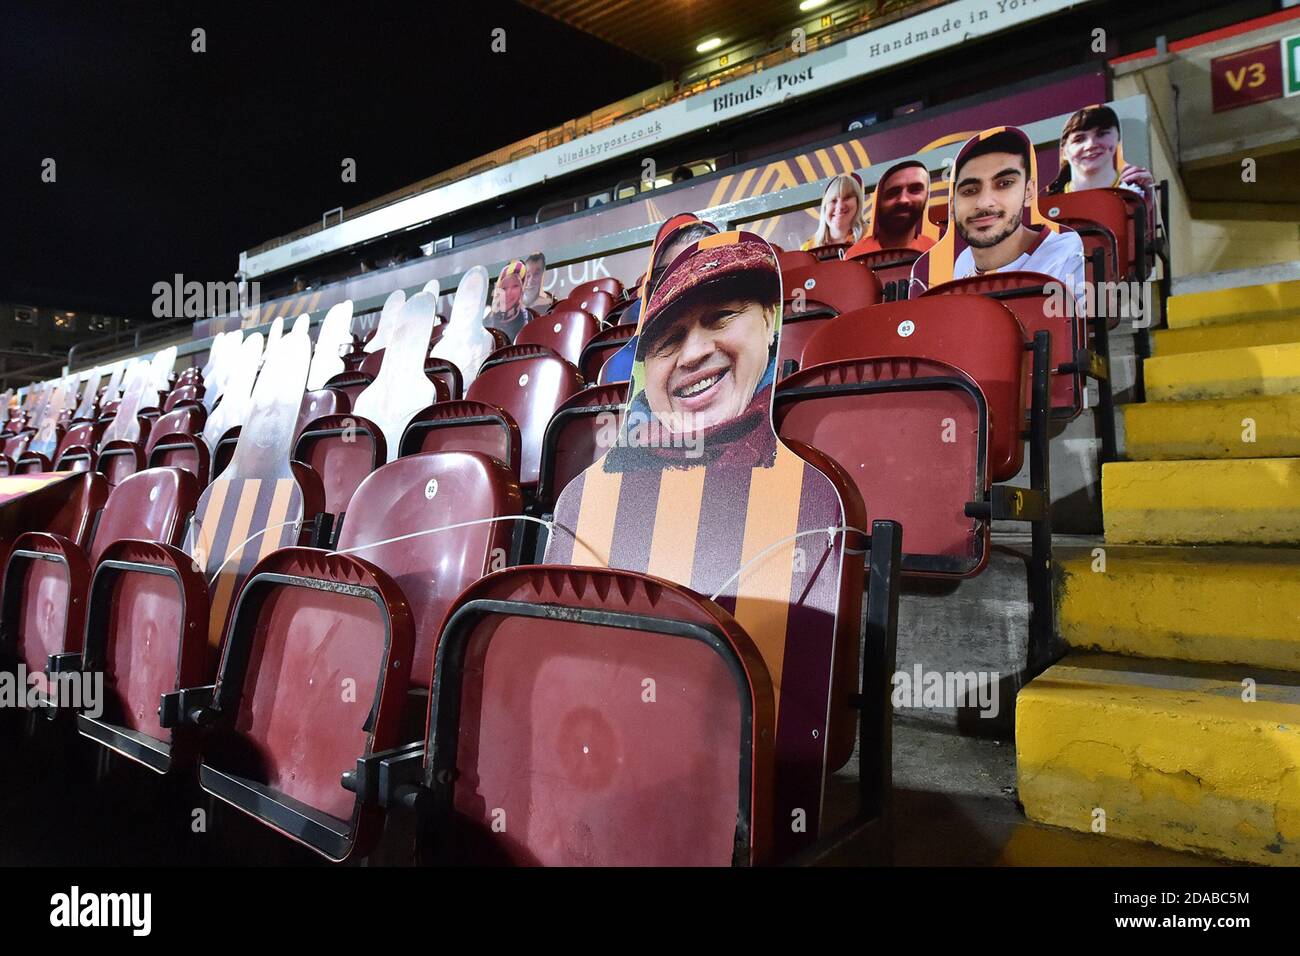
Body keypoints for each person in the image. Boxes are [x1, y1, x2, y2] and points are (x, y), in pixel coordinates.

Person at [606, 231, 780, 470]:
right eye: (667, 341)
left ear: (768, 320)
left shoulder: (812, 424)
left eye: (721, 316)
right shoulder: (609, 468)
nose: (693, 354)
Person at [912, 127, 1086, 314]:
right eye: (970, 190)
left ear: (1029, 192)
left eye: (1004, 184)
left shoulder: (1066, 250)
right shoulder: (964, 260)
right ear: (952, 205)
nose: (985, 203)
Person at [599, 216, 720, 384]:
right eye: (670, 274)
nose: (684, 284)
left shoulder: (755, 345)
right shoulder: (625, 365)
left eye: (702, 268)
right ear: (652, 288)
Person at [1045, 105, 1155, 200]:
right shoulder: (1048, 206)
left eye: (1101, 134)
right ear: (1063, 152)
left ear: (1118, 138)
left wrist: (1148, 204)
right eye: (1079, 139)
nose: (1091, 145)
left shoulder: (1135, 193)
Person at [846, 160, 937, 255]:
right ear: (879, 201)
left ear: (926, 196)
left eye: (915, 189)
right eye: (893, 192)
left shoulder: (935, 252)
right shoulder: (855, 255)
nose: (903, 200)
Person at [802, 173, 866, 251]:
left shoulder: (873, 238)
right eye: (833, 200)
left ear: (858, 203)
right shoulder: (808, 249)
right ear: (825, 208)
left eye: (847, 198)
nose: (840, 206)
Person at [483, 260, 533, 342]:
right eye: (504, 288)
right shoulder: (486, 323)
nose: (508, 293)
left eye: (515, 286)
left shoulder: (530, 318)